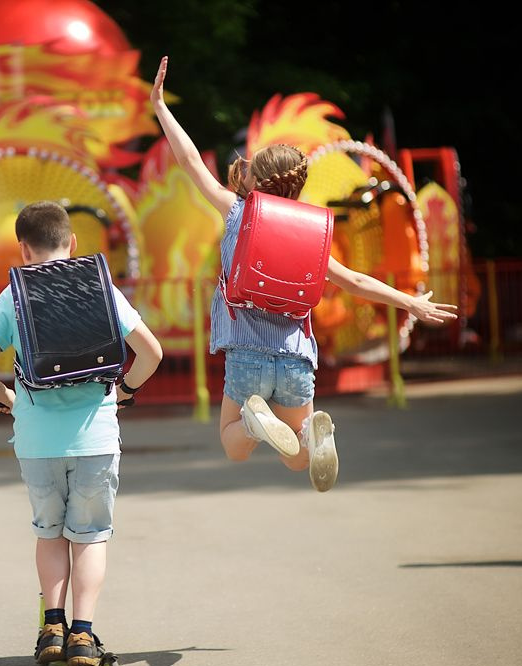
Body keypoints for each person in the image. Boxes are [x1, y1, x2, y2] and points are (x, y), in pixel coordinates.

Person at [150, 56, 457, 491]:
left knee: (232, 443)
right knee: (297, 461)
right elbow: (354, 280)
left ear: (254, 182)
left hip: (246, 351)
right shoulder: (313, 234)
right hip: (296, 356)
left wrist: (161, 106)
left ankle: (255, 424)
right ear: (296, 186)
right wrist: (410, 301)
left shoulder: (237, 212)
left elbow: (190, 161)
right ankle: (313, 432)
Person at [0, 201, 163, 666]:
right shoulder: (100, 288)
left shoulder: (12, 296)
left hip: (36, 443)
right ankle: (82, 635)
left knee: (50, 534)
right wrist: (124, 390)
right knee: (90, 536)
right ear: (72, 243)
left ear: (22, 249)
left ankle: (51, 627)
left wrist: (7, 398)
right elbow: (150, 353)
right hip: (95, 438)